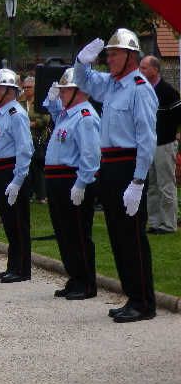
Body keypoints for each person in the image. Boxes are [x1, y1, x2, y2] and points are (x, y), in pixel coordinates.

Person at [75, 29, 158, 322]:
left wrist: (137, 181)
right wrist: (81, 62)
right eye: (107, 54)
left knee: (132, 235)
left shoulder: (139, 88)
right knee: (117, 234)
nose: (108, 59)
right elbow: (83, 82)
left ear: (131, 57)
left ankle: (144, 301)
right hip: (110, 164)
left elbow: (146, 139)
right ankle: (132, 296)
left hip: (128, 165)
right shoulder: (112, 85)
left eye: (114, 54)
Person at [42, 69, 101, 300]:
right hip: (57, 180)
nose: (62, 93)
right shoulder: (68, 115)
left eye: (65, 90)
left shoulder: (85, 116)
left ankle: (86, 282)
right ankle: (75, 277)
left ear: (78, 91)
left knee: (78, 233)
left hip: (72, 179)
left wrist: (82, 183)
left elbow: (91, 155)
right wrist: (53, 99)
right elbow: (53, 110)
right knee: (64, 233)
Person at [0, 68, 34, 283]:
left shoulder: (16, 115)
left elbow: (25, 150)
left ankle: (22, 269)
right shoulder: (2, 112)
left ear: (8, 92)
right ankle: (13, 264)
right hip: (0, 170)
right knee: (9, 222)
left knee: (18, 221)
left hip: (11, 171)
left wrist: (17, 180)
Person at [138, 55, 180, 234]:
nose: (141, 71)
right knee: (152, 185)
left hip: (164, 144)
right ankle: (155, 222)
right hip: (148, 145)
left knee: (166, 184)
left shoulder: (168, 91)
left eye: (144, 68)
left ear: (155, 69)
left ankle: (169, 224)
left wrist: (176, 136)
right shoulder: (142, 90)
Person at [19, 76, 51, 203]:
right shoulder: (20, 102)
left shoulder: (40, 102)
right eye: (25, 87)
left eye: (29, 87)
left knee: (38, 167)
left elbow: (46, 119)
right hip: (24, 139)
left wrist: (32, 123)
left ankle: (42, 195)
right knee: (27, 168)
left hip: (37, 139)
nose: (26, 90)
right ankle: (29, 193)